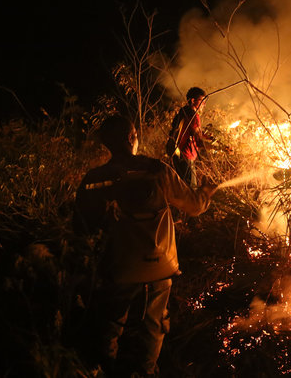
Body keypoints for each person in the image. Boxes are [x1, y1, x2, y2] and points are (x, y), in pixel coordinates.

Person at [73, 116, 217, 377]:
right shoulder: (158, 170)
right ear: (132, 138)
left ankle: (105, 368)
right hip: (159, 267)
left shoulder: (95, 178)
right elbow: (194, 206)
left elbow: (82, 225)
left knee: (110, 322)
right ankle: (146, 371)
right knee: (154, 325)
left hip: (119, 266)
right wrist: (206, 192)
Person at [166, 87, 212, 188]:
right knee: (190, 191)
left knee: (180, 189)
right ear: (193, 100)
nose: (204, 104)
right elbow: (199, 141)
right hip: (186, 156)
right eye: (202, 100)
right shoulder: (194, 116)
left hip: (177, 155)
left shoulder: (183, 112)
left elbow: (191, 130)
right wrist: (217, 147)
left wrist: (208, 136)